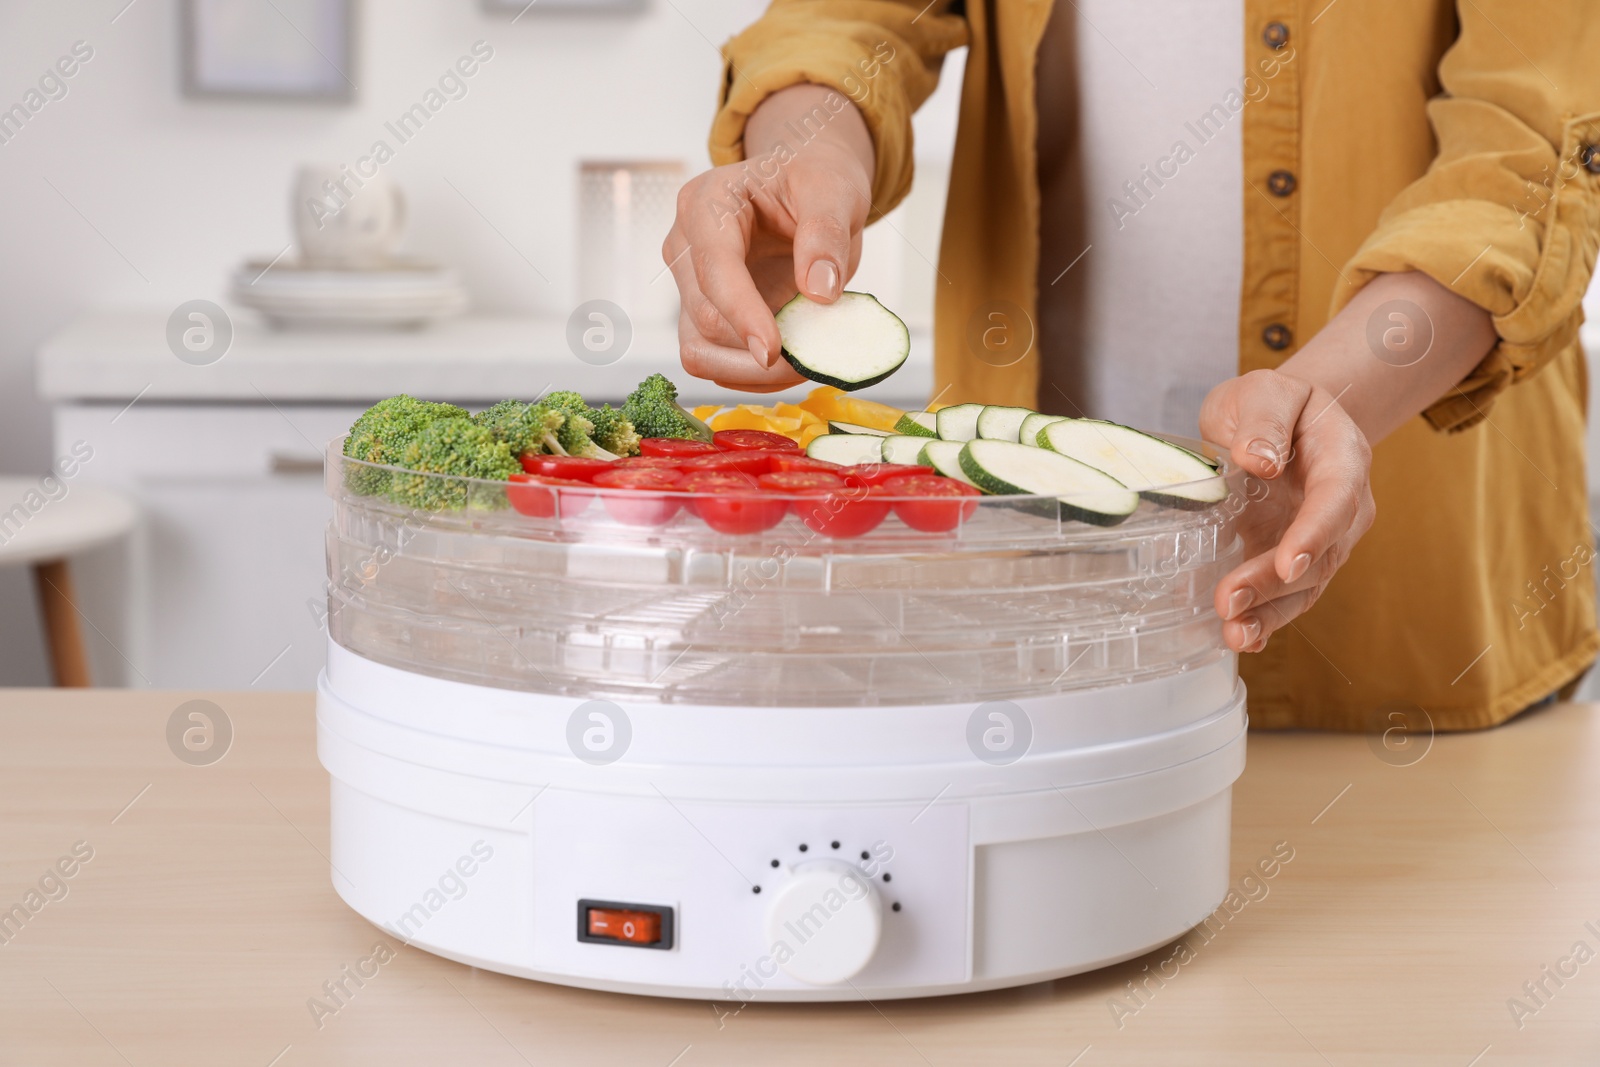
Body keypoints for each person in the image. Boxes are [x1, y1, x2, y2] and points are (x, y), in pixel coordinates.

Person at [663, 1, 1600, 732]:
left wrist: (1328, 403)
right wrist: (799, 160)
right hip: (1033, 601)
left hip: (1421, 629)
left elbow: (1529, 148)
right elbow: (842, 20)